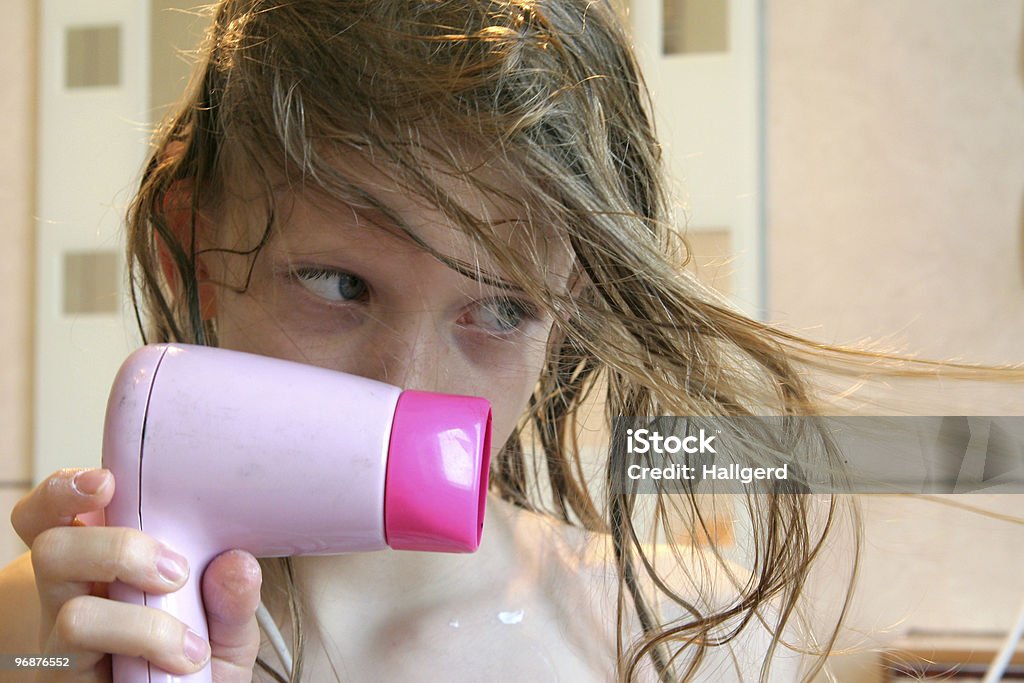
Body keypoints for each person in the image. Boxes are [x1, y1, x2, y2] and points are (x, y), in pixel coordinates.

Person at [1, 0, 951, 680]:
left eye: (500, 310)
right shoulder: (41, 625)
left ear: (567, 308)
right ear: (197, 251)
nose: (406, 386)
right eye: (339, 284)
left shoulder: (692, 638)